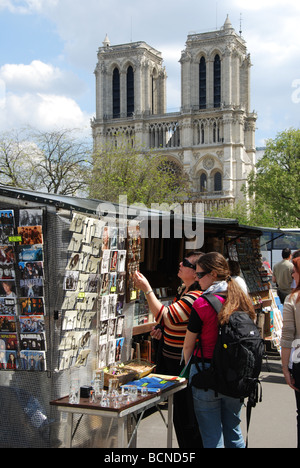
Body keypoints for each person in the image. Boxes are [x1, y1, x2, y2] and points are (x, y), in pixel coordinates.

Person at [183, 252, 256, 448]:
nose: (197, 280)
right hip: (235, 374)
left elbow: (188, 344)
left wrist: (190, 370)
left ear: (214, 274)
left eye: (200, 275)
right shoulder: (241, 299)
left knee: (211, 436)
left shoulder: (202, 303)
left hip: (206, 372)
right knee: (233, 431)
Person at [133, 251, 203, 448]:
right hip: (173, 361)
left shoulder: (195, 296)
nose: (180, 263)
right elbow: (172, 323)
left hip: (182, 365)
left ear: (196, 273)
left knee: (186, 418)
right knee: (180, 418)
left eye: (186, 263)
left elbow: (167, 316)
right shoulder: (184, 291)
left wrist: (147, 289)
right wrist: (164, 331)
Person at [281, 256, 300, 448]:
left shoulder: (293, 299)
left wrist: (285, 367)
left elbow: (287, 335)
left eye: (294, 271)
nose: (292, 275)